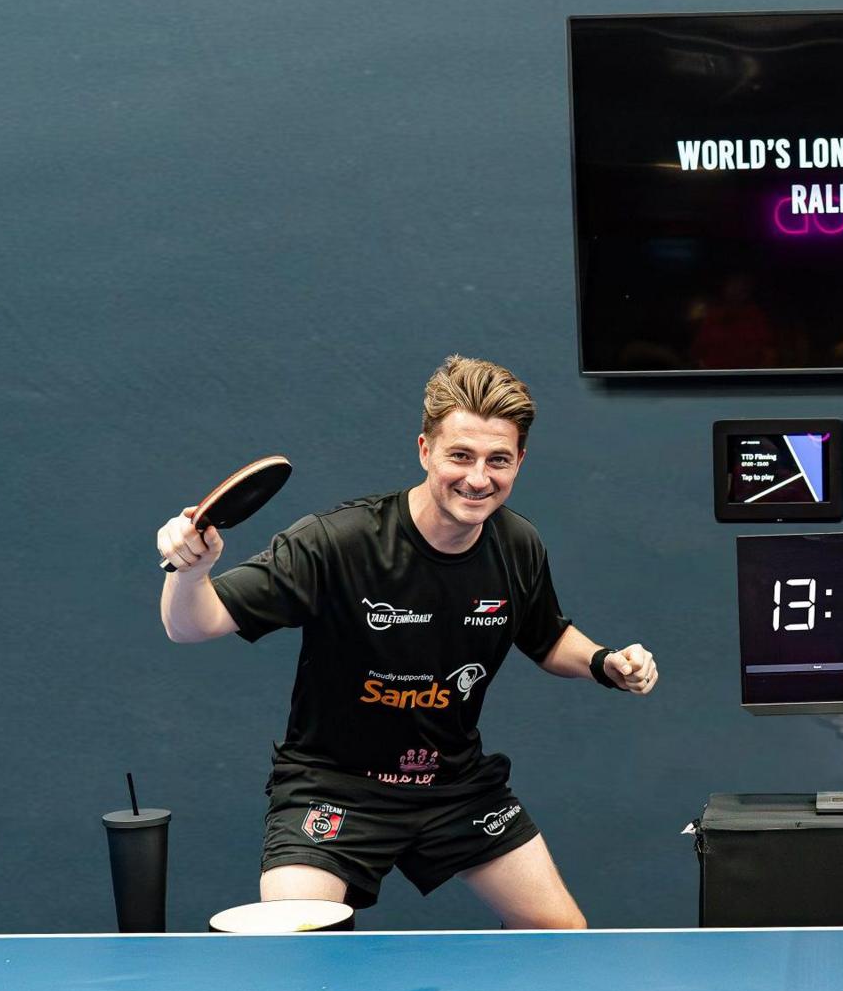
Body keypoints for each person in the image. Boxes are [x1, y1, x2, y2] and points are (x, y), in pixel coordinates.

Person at [155, 356, 656, 928]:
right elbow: (191, 624)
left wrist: (602, 662)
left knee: (563, 938)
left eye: (498, 460)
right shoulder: (336, 542)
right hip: (334, 788)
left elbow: (546, 636)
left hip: (455, 787)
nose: (477, 478)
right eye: (460, 456)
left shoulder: (518, 544)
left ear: (519, 462)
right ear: (425, 450)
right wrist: (189, 571)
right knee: (295, 950)